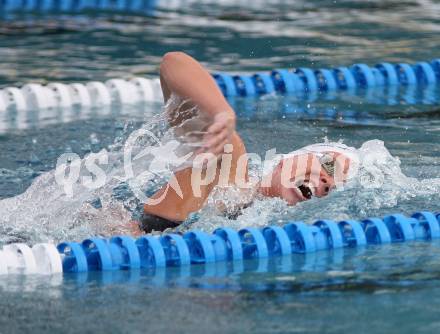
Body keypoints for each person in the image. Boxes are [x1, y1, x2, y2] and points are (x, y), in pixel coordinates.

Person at [132, 52, 358, 234]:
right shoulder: (232, 171)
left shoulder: (264, 226)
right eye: (328, 164)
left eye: (335, 186)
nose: (328, 182)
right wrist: (220, 113)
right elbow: (174, 62)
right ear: (287, 161)